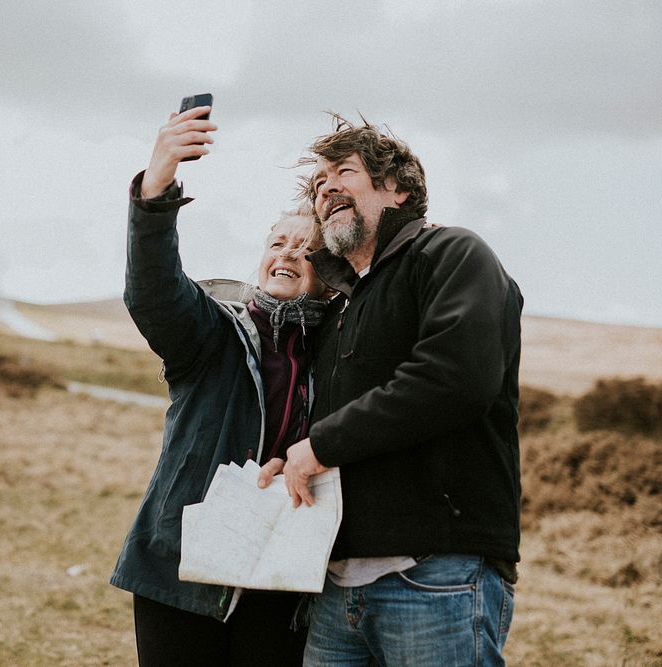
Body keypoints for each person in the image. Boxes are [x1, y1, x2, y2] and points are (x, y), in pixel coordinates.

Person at [258, 116, 523, 665]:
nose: (325, 186)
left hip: (435, 576)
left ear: (397, 189)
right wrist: (291, 461)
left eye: (344, 172)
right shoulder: (340, 308)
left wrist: (321, 445)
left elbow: (454, 378)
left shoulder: (450, 255)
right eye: (318, 182)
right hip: (335, 590)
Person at [110, 103, 333, 666]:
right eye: (277, 242)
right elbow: (155, 291)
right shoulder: (213, 334)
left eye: (306, 249)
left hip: (282, 578)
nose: (287, 254)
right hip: (181, 572)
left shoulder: (338, 355)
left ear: (331, 279)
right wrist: (156, 190)